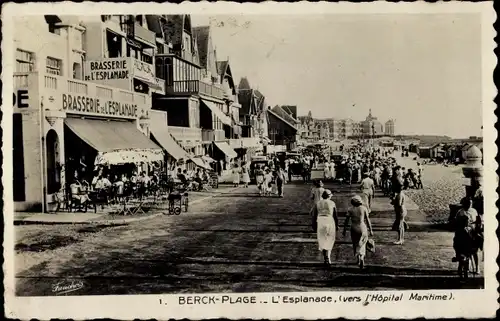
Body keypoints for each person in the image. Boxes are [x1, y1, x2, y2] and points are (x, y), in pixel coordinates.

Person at [343, 195, 374, 269]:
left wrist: (344, 229)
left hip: (354, 227)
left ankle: (358, 259)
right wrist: (371, 229)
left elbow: (346, 221)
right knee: (363, 243)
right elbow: (367, 220)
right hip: (362, 227)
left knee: (355, 243)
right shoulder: (363, 208)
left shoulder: (350, 209)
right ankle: (362, 256)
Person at [452, 197, 481, 274]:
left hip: (473, 231)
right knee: (458, 243)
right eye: (468, 203)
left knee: (476, 248)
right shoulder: (460, 212)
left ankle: (477, 267)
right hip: (463, 231)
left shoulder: (474, 211)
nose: (470, 205)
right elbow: (457, 223)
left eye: (471, 203)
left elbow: (478, 221)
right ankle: (460, 261)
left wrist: (477, 227)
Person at [313, 189, 339, 266]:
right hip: (329, 220)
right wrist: (337, 225)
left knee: (322, 239)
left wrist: (313, 224)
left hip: (320, 221)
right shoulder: (332, 203)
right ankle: (328, 257)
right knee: (330, 239)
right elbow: (335, 216)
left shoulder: (318, 203)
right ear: (329, 196)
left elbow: (314, 216)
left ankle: (325, 257)